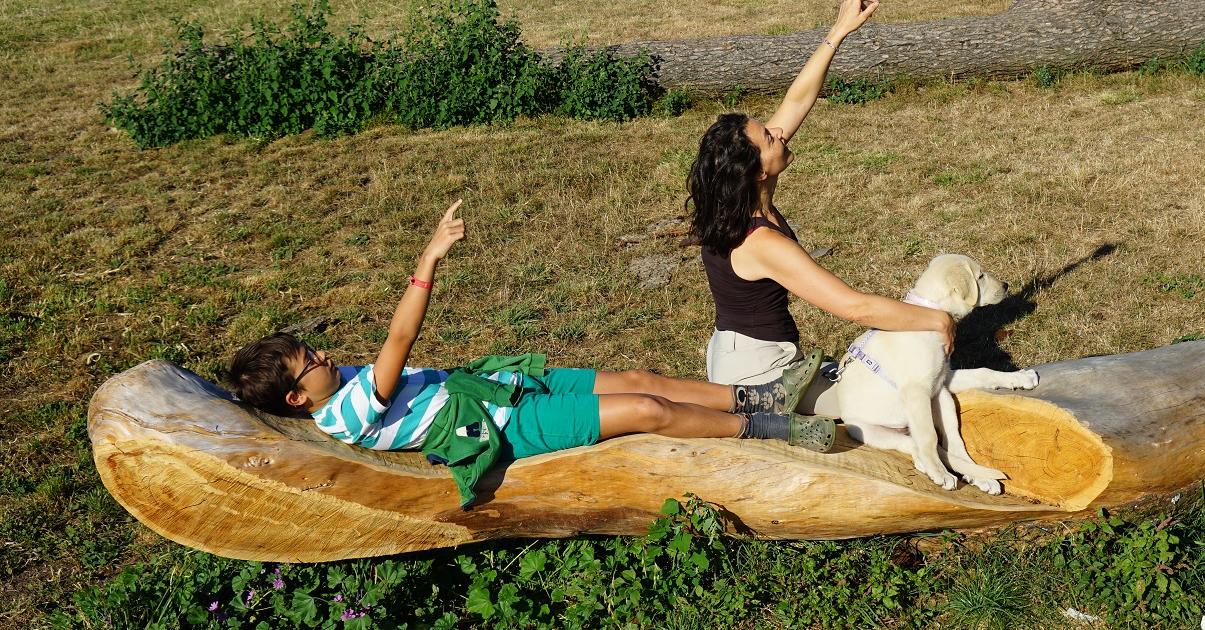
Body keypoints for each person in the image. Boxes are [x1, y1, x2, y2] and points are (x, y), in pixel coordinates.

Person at [224, 201, 836, 508]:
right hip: (501, 424)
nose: (324, 354)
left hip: (493, 387)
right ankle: (767, 427)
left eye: (312, 348)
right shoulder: (346, 411)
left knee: (636, 376)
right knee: (645, 409)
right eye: (310, 360)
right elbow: (399, 341)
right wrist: (428, 259)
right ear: (297, 398)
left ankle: (760, 394)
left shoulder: (334, 386)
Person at [686, 0, 957, 417]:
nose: (779, 131)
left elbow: (796, 102)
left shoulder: (738, 200)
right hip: (757, 378)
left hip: (743, 355)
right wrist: (937, 318)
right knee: (886, 398)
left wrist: (839, 31)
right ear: (757, 172)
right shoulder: (760, 242)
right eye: (769, 137)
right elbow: (854, 307)